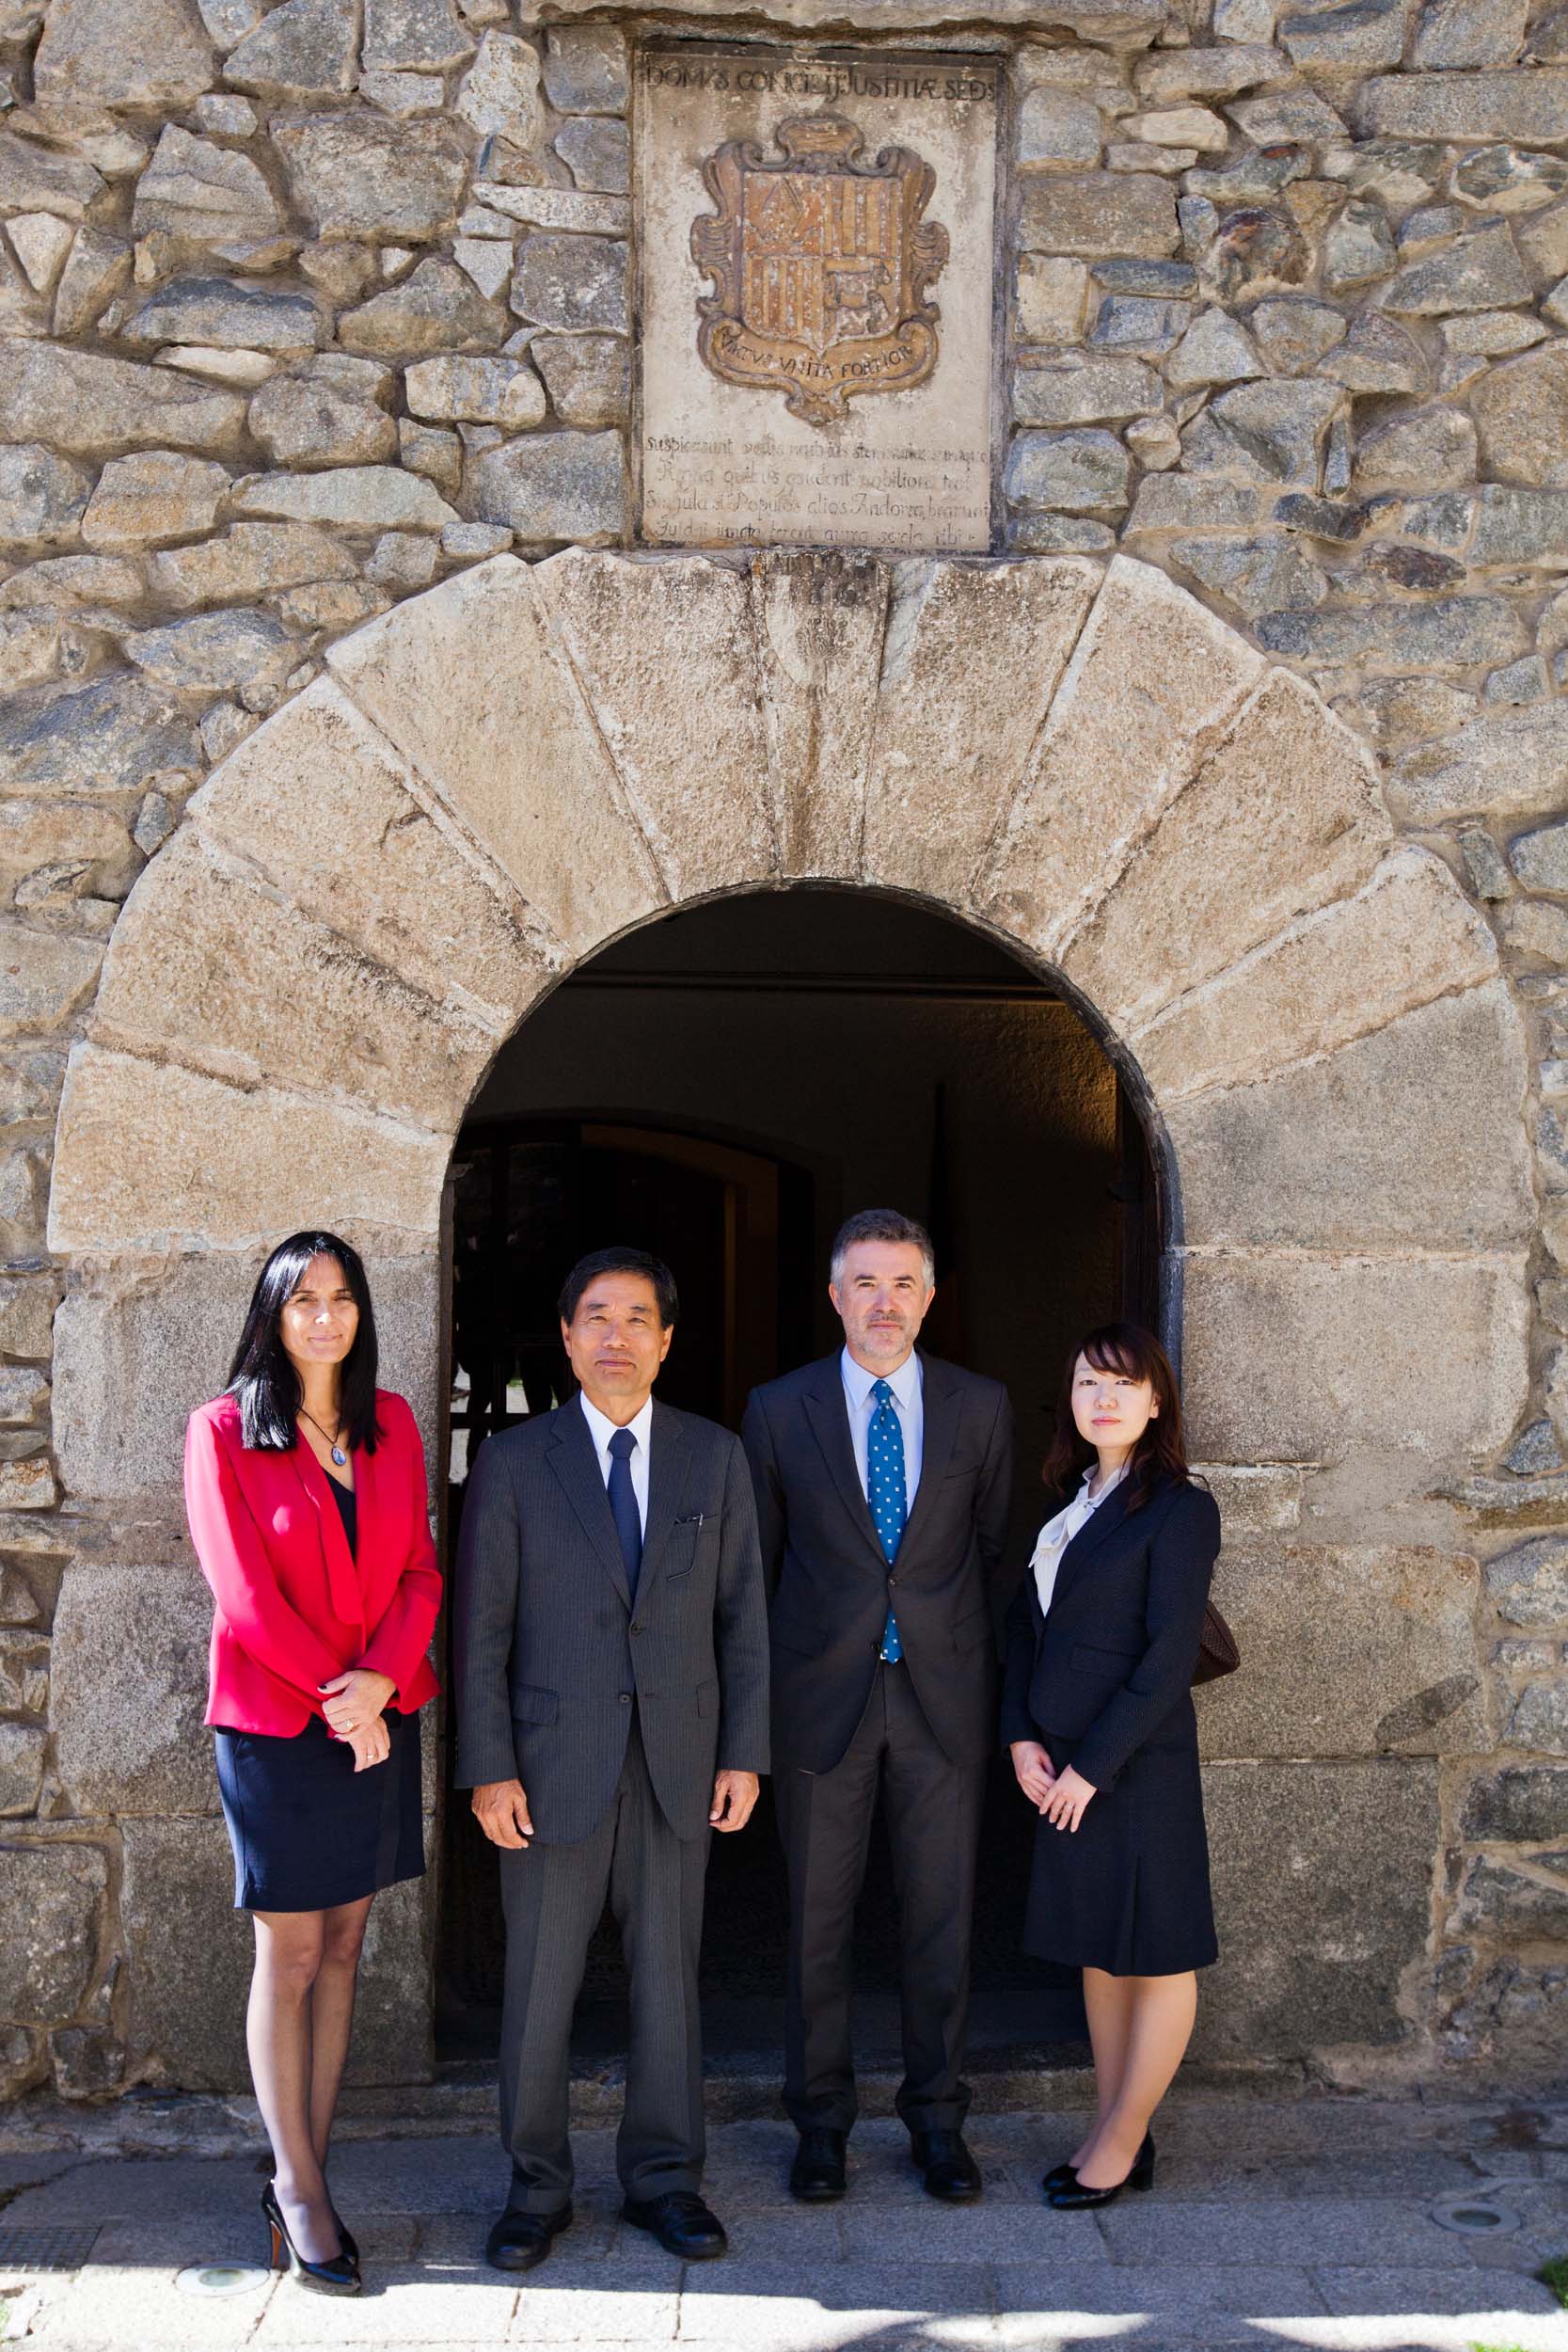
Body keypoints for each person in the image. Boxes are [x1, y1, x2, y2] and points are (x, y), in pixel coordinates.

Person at [454, 1247, 770, 2271]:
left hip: (680, 1760)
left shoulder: (713, 1457)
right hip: (549, 1766)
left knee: (668, 1986)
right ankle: (534, 2187)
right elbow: (480, 1629)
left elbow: (743, 1618)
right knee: (538, 1986)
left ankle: (666, 2180)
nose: (616, 1336)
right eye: (596, 1316)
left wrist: (744, 1753)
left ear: (666, 1341)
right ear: (565, 1336)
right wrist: (489, 1766)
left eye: (638, 1318)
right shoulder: (514, 1462)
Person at [184, 1232, 442, 2296]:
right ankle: (295, 2190)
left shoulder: (393, 1422)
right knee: (289, 1955)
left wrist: (382, 1682)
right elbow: (243, 1597)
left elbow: (421, 1570)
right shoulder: (222, 1429)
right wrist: (344, 1702)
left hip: (381, 1710)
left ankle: (310, 2166)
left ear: (361, 1312)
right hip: (280, 1727)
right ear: (273, 1315)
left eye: (341, 1298)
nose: (325, 1317)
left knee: (344, 1948)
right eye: (304, 1301)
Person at [741, 1209, 1014, 2205]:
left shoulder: (981, 1406)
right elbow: (755, 1566)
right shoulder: (779, 1409)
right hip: (820, 1701)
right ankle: (819, 2126)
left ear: (929, 1297)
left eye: (902, 1283)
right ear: (834, 1295)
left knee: (940, 1920)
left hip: (943, 1701)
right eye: (865, 1282)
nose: (884, 1302)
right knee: (816, 1924)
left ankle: (937, 2120)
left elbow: (991, 1551)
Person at [1002, 1322, 1222, 2210]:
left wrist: (1088, 1769)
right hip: (1060, 1763)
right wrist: (1021, 1735)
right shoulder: (1069, 1504)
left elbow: (1168, 1658)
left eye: (1124, 1385)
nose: (1104, 1399)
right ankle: (1111, 2123)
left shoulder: (1179, 1509)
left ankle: (1122, 2142)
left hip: (1135, 1766)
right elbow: (1026, 1632)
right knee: (1100, 1950)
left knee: (1157, 1953)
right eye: (1088, 1383)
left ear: (1155, 1401)